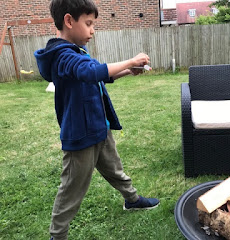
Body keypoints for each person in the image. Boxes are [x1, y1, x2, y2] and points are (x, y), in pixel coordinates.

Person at [34, 0, 159, 239]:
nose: (93, 30)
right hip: (81, 136)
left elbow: (97, 78)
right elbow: (91, 71)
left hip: (99, 127)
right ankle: (57, 235)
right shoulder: (62, 56)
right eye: (89, 23)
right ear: (69, 21)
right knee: (71, 189)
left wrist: (126, 71)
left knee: (115, 169)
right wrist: (131, 60)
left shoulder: (76, 52)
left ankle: (132, 200)